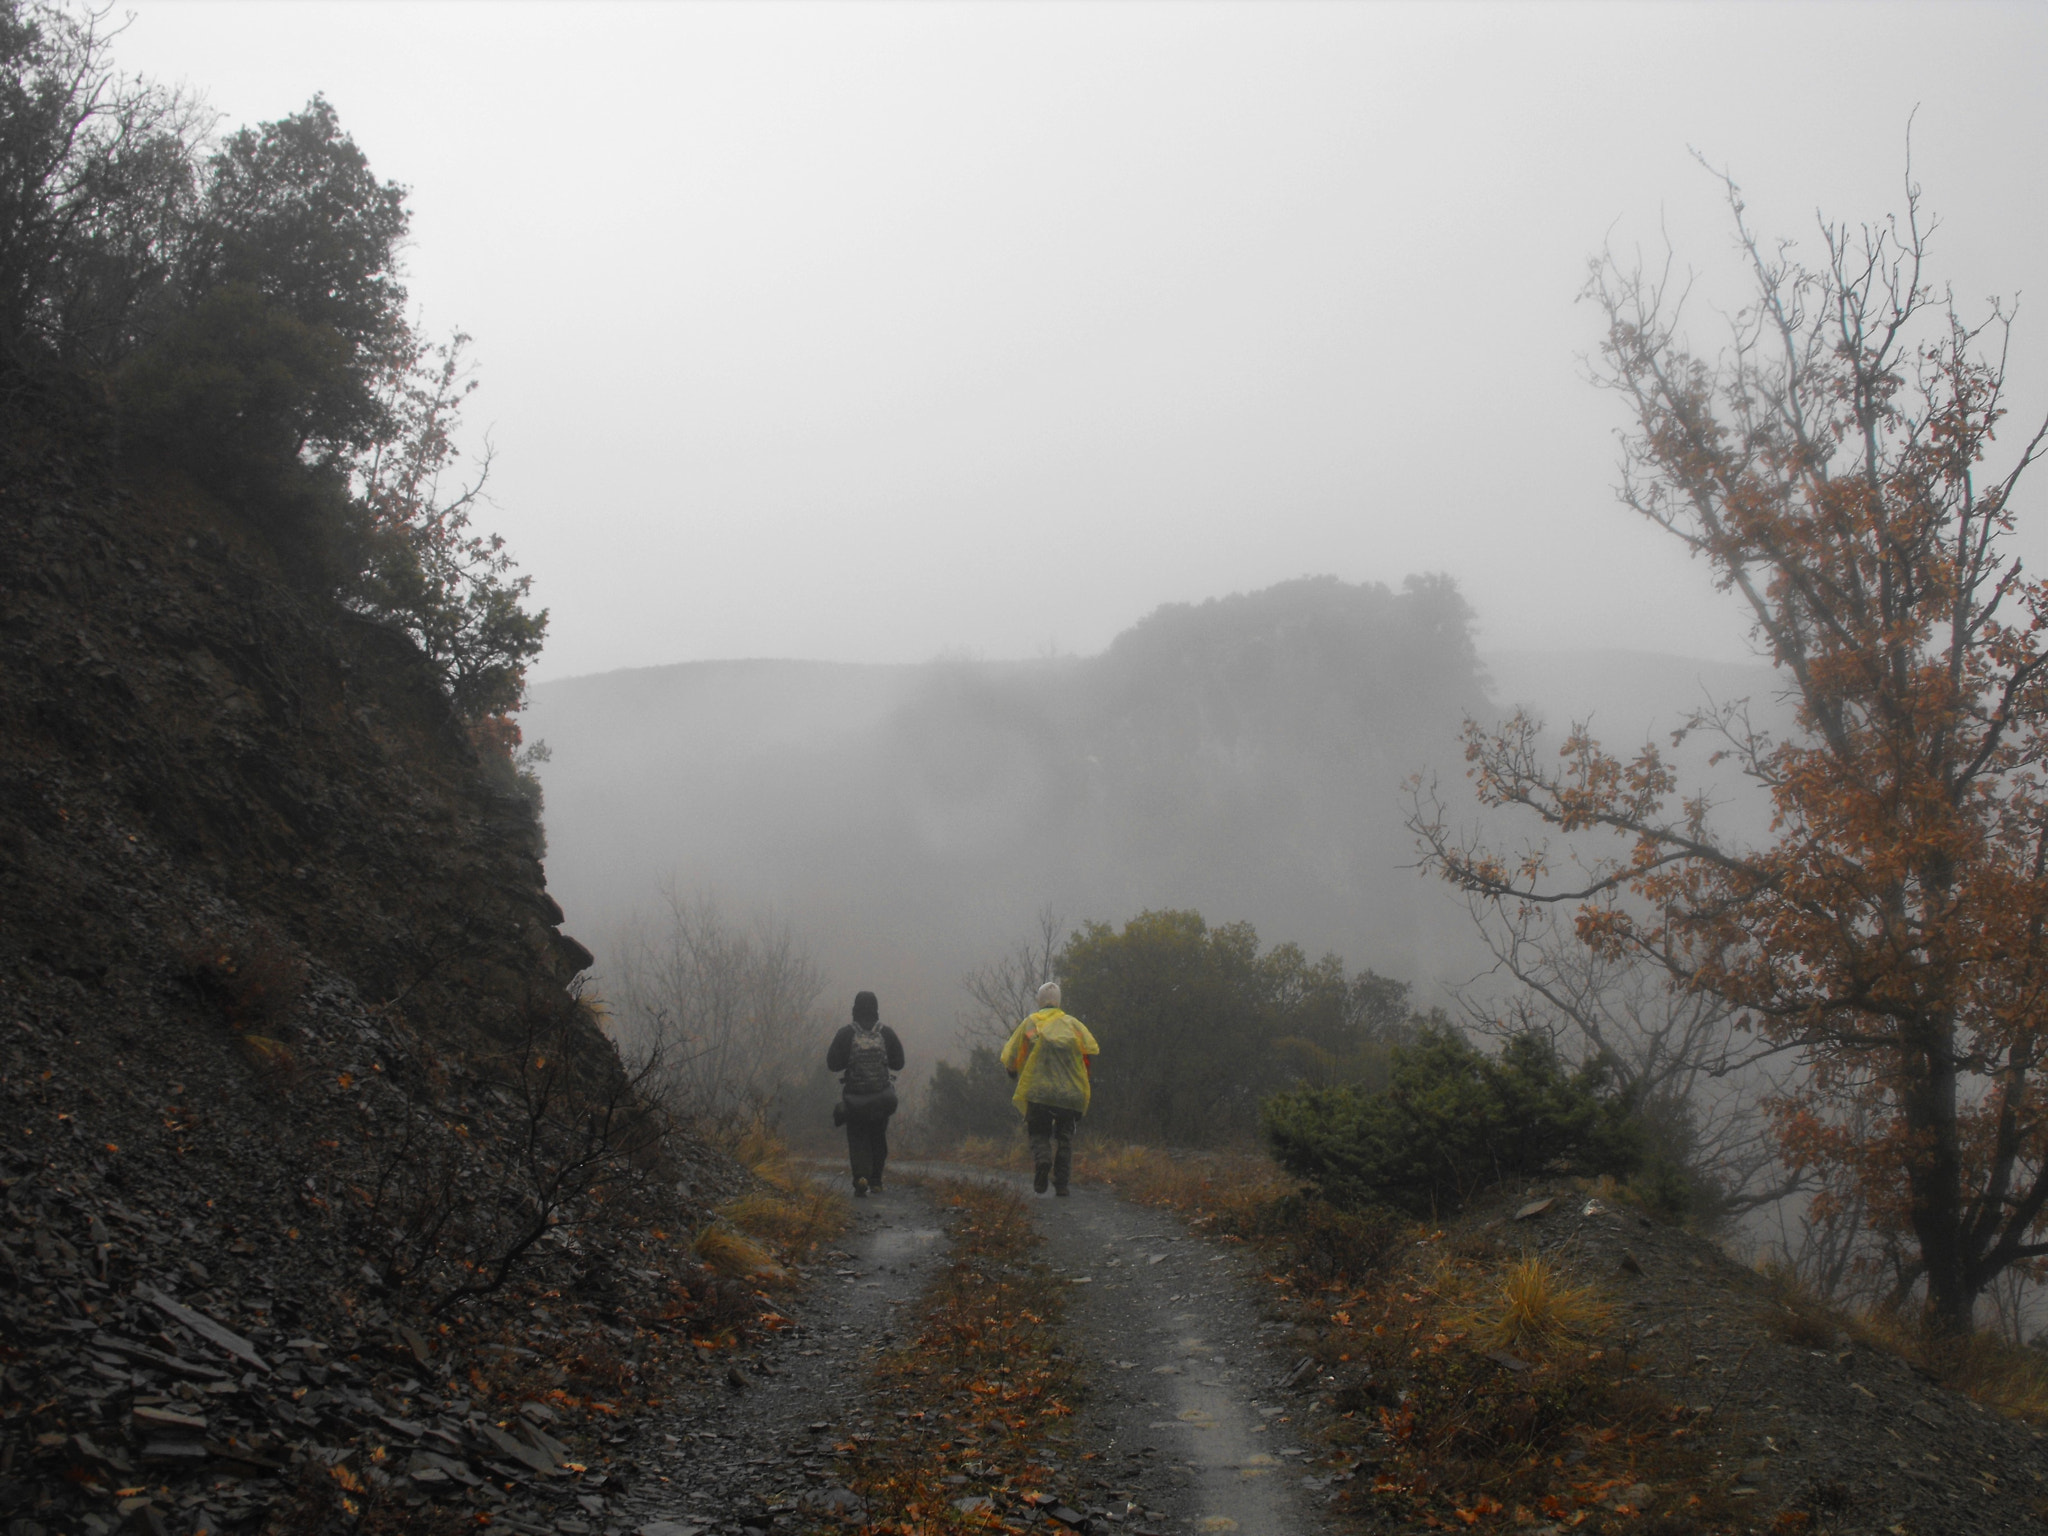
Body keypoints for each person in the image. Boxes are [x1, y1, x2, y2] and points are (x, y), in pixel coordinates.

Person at [1000, 981, 1099, 1196]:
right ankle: (1061, 1184)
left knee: (1038, 1132)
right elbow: (1086, 1059)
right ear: (1059, 1001)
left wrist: (1012, 1070)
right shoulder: (1073, 1025)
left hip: (1039, 1092)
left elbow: (1013, 1052)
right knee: (1065, 1138)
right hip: (1070, 1093)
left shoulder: (1032, 1024)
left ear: (1039, 1000)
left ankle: (1043, 1160)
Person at [826, 990, 903, 1196]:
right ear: (876, 1009)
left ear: (854, 1009)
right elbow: (899, 1063)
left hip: (855, 1099)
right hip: (882, 1098)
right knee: (878, 1136)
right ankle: (876, 1180)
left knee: (857, 1136)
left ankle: (860, 1177)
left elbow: (832, 1064)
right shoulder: (886, 1033)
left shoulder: (846, 1034)